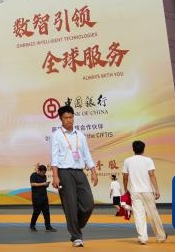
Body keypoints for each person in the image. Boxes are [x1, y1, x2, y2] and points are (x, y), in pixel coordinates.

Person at [51, 104, 98, 248]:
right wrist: (55, 176)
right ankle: (76, 237)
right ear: (61, 119)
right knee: (70, 205)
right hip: (64, 173)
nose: (69, 120)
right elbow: (54, 157)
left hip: (79, 172)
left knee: (89, 203)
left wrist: (93, 171)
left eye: (71, 117)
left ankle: (76, 224)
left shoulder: (80, 135)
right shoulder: (57, 135)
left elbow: (86, 154)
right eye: (66, 118)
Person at [122, 140, 167, 244]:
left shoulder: (127, 161)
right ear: (143, 149)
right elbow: (152, 174)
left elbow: (125, 177)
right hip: (147, 190)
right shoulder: (148, 160)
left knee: (138, 214)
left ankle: (142, 237)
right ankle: (161, 236)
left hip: (134, 191)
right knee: (153, 213)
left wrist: (125, 189)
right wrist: (157, 189)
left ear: (133, 149)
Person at [29, 164, 56, 231]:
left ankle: (48, 227)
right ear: (39, 170)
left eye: (45, 172)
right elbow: (33, 184)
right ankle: (32, 225)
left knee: (47, 212)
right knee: (36, 212)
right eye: (43, 172)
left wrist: (46, 185)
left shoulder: (44, 176)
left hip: (44, 197)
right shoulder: (33, 175)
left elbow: (43, 186)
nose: (44, 174)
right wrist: (43, 184)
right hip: (36, 197)